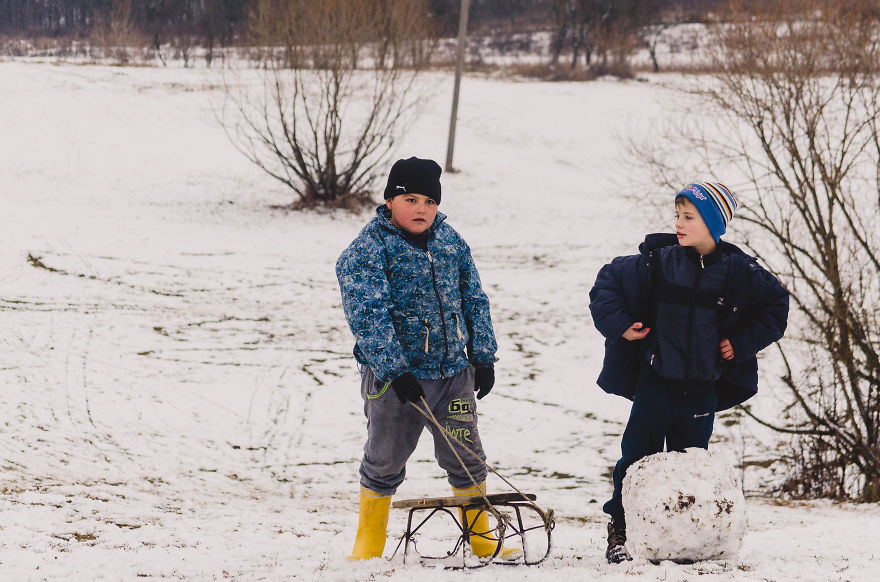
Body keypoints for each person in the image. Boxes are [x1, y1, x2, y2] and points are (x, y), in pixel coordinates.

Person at [588, 183, 789, 564]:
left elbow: (776, 305)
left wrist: (742, 342)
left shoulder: (738, 272)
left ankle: (683, 537)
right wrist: (622, 325)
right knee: (635, 461)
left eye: (688, 216)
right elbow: (606, 284)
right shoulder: (657, 263)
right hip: (655, 384)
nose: (678, 223)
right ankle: (622, 530)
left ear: (713, 224)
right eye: (677, 214)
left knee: (691, 468)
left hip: (701, 391)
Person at [336, 156, 519, 561]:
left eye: (430, 201)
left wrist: (483, 355)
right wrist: (394, 370)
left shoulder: (450, 241)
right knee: (385, 458)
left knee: (467, 454)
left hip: (453, 373)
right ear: (389, 201)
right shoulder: (368, 250)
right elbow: (368, 314)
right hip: (395, 382)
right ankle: (369, 540)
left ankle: (482, 536)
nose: (422, 209)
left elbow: (474, 298)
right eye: (411, 199)